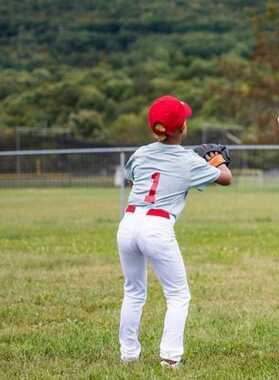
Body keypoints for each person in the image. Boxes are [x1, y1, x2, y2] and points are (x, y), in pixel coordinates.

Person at [116, 95, 232, 368]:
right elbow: (226, 179)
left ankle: (128, 355)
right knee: (178, 295)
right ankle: (170, 358)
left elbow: (133, 177)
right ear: (182, 129)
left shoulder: (141, 153)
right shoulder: (189, 161)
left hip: (129, 222)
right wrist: (217, 161)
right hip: (156, 226)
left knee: (133, 291)